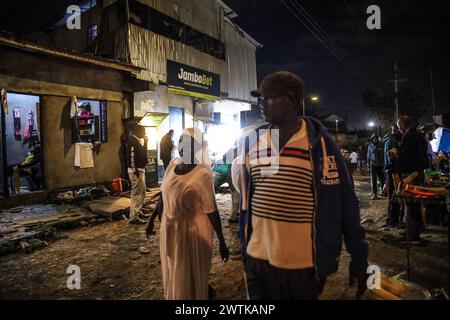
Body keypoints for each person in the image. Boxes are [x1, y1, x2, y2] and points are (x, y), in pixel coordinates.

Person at [238, 71, 368, 300]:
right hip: (258, 261)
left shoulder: (319, 145)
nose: (261, 104)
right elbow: (251, 198)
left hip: (302, 266)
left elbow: (346, 202)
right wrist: (244, 248)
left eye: (267, 98)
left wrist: (359, 256)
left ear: (289, 100)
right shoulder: (254, 141)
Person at [146, 128, 229, 300]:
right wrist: (152, 219)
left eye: (188, 143)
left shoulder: (202, 174)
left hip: (192, 230)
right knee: (175, 268)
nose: (182, 147)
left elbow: (212, 210)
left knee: (190, 272)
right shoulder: (172, 166)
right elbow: (164, 194)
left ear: (198, 148)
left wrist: (221, 241)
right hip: (170, 227)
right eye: (181, 142)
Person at [397, 115, 429, 244]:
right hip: (418, 172)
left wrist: (396, 163)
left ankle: (413, 236)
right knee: (415, 203)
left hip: (411, 174)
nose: (399, 129)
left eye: (399, 126)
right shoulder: (419, 135)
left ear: (404, 125)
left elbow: (405, 157)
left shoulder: (409, 137)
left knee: (410, 204)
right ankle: (414, 232)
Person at [126, 125, 148, 224]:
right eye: (143, 131)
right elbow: (131, 157)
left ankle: (138, 211)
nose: (145, 133)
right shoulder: (132, 141)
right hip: (136, 171)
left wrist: (146, 143)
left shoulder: (137, 140)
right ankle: (133, 217)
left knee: (142, 193)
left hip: (140, 170)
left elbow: (143, 154)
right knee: (136, 194)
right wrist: (135, 171)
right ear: (138, 131)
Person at [382, 125, 402, 226]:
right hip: (392, 172)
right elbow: (392, 157)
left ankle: (391, 219)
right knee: (393, 196)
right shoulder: (393, 142)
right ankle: (392, 220)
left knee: (392, 196)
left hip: (389, 171)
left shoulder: (388, 140)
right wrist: (395, 172)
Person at [367, 134, 385, 200]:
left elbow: (384, 155)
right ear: (372, 139)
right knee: (373, 180)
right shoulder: (370, 146)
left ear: (377, 139)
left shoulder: (382, 145)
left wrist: (384, 164)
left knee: (382, 178)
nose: (375, 139)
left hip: (381, 165)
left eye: (376, 138)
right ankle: (374, 193)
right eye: (373, 138)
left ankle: (383, 191)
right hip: (373, 165)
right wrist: (368, 166)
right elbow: (368, 157)